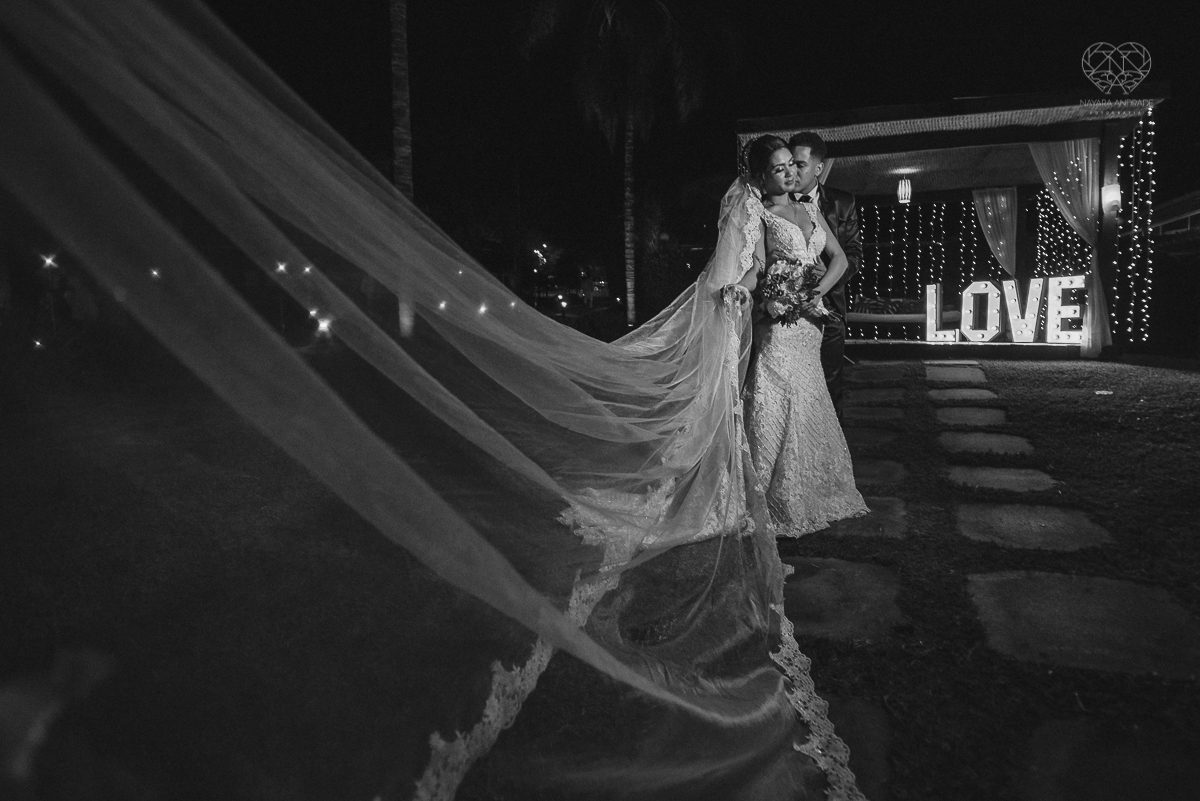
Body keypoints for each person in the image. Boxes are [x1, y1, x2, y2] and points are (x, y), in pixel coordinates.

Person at [732, 135, 868, 537]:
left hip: (810, 324)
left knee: (810, 400)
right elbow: (757, 268)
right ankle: (769, 495)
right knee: (775, 401)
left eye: (792, 164)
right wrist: (739, 289)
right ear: (762, 177)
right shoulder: (761, 214)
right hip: (777, 327)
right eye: (780, 168)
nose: (790, 173)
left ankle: (814, 490)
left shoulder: (810, 208)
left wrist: (816, 293)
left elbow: (838, 258)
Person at [788, 131, 862, 423]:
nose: (793, 172)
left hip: (830, 308)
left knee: (831, 386)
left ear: (818, 168)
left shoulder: (843, 202)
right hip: (788, 310)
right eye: (790, 164)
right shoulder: (775, 203)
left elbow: (853, 255)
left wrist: (829, 276)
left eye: (801, 165)